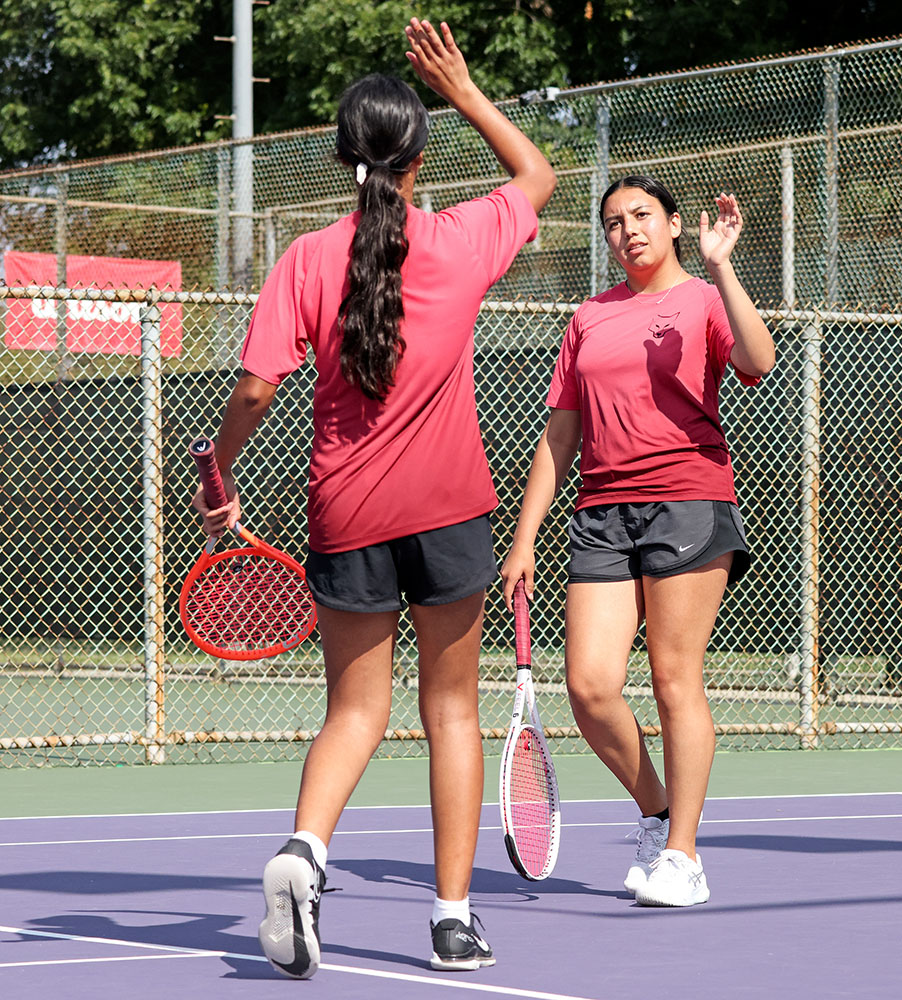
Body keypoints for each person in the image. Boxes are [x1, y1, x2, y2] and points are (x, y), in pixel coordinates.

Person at [192, 19, 555, 976]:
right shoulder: (461, 239)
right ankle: (450, 919)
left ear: (339, 155)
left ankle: (302, 851)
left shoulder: (306, 258)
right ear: (419, 158)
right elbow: (539, 179)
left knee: (353, 714)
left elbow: (256, 390)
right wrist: (468, 91)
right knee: (450, 711)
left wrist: (217, 466)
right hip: (449, 513)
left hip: (344, 515)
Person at [501, 176, 773, 907]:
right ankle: (656, 812)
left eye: (643, 216)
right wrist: (524, 537)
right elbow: (560, 433)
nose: (629, 231)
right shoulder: (589, 316)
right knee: (589, 686)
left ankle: (683, 856)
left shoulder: (704, 297)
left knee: (673, 678)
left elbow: (759, 361)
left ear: (677, 223)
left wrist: (722, 265)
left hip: (688, 501)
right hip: (600, 512)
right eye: (615, 223)